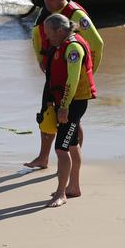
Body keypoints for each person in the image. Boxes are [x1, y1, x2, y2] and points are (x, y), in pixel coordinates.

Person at [25, 0, 103, 170]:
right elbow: (36, 36)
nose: (47, 2)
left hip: (71, 76)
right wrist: (40, 60)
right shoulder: (46, 11)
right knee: (46, 115)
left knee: (72, 120)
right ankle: (43, 158)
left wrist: (88, 74)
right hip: (52, 72)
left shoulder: (75, 14)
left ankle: (74, 161)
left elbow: (97, 44)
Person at [41, 14, 97, 207]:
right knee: (72, 145)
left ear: (61, 30)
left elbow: (72, 82)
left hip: (74, 103)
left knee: (61, 149)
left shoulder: (73, 48)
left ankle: (61, 193)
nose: (48, 38)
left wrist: (64, 107)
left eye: (50, 34)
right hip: (67, 102)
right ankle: (73, 187)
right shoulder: (61, 44)